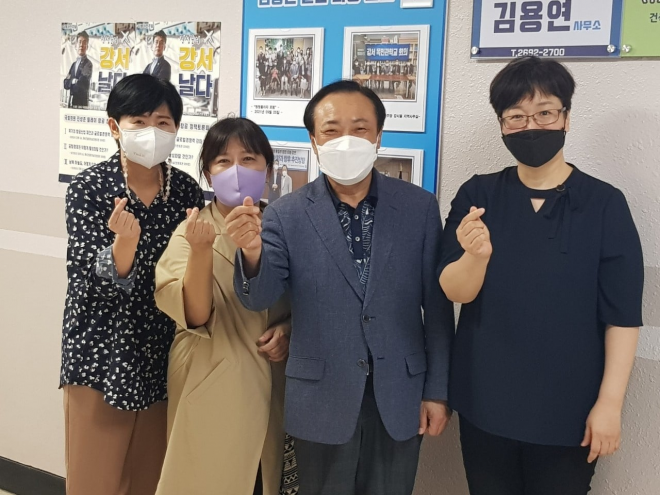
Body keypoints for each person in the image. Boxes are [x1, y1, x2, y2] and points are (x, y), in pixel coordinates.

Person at [227, 80, 455, 495]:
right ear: (314, 141)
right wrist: (252, 252)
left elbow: (437, 310)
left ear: (378, 136)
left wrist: (437, 393)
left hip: (400, 392)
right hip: (321, 396)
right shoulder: (285, 213)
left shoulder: (419, 207)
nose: (346, 140)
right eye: (331, 131)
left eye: (360, 128)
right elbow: (258, 298)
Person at [439, 56, 644, 495]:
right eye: (516, 116)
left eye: (545, 112)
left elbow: (623, 316)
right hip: (485, 401)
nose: (530, 126)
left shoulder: (604, 204)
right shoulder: (478, 194)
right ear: (502, 125)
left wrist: (610, 404)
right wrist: (476, 256)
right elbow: (455, 290)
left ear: (566, 117)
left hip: (569, 410)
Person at [60, 73, 206, 495]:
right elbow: (88, 282)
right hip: (101, 351)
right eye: (139, 121)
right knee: (95, 480)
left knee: (152, 477)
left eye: (163, 122)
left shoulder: (186, 192)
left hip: (163, 350)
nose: (151, 131)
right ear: (114, 126)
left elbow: (190, 275)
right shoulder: (90, 187)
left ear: (176, 129)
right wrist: (124, 245)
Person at [154, 117, 295, 495]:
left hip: (274, 383)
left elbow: (312, 300)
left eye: (248, 159)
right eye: (223, 161)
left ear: (267, 170)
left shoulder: (286, 227)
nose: (236, 170)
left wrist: (288, 330)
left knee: (263, 479)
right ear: (207, 173)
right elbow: (194, 315)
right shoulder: (192, 231)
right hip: (211, 379)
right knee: (208, 479)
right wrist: (201, 251)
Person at [64, 31, 92, 108]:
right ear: (76, 45)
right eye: (79, 42)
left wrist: (70, 82)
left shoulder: (88, 64)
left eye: (84, 42)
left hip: (81, 103)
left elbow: (82, 82)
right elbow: (65, 83)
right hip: (71, 102)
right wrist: (73, 81)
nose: (81, 45)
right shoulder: (73, 65)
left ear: (87, 46)